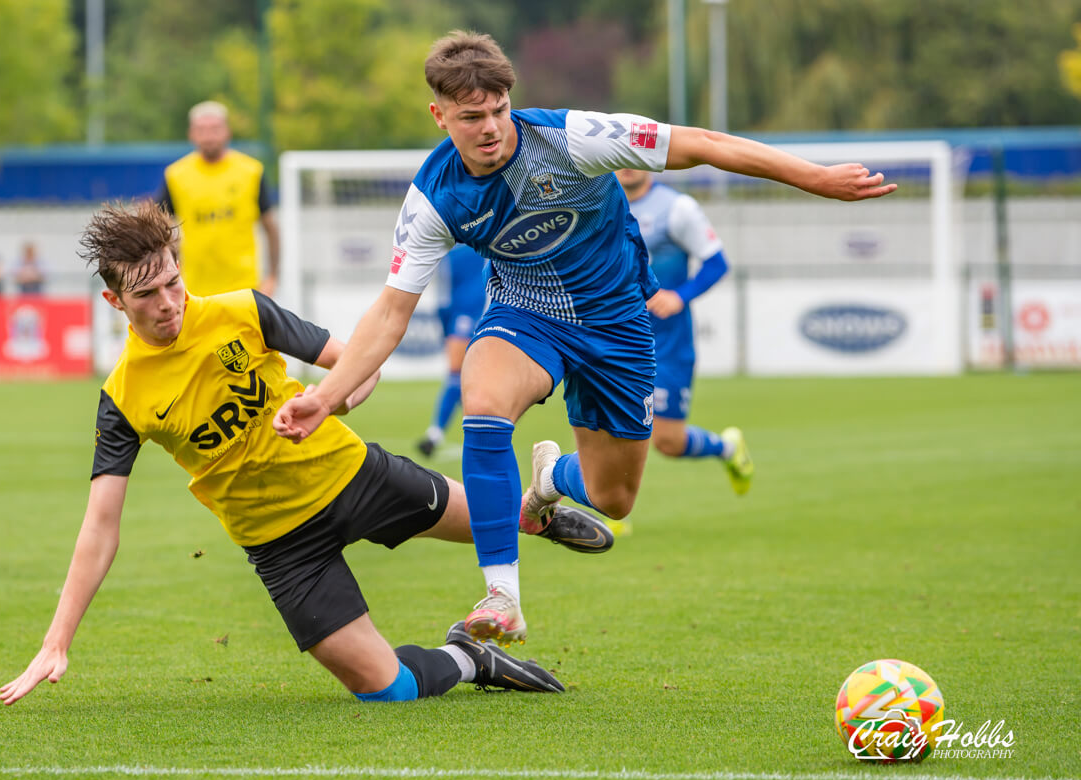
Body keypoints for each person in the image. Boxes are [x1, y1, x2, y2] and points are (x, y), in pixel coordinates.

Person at [273, 31, 896, 645]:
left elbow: (701, 143)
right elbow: (389, 312)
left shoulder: (571, 138)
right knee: (483, 402)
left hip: (618, 322)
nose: (490, 127)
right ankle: (502, 597)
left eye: (498, 110)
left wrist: (814, 178)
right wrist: (325, 398)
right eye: (471, 117)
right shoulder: (433, 198)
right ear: (440, 116)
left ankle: (549, 483)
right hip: (525, 313)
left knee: (614, 497)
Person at [0, 203, 614, 707]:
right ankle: (470, 656)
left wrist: (329, 399)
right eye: (146, 296)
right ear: (114, 304)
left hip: (354, 478)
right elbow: (100, 526)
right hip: (283, 547)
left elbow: (358, 366)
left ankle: (541, 505)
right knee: (388, 691)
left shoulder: (242, 310)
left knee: (505, 520)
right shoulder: (123, 397)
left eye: (173, 283)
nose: (168, 304)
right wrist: (57, 641)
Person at [615, 168, 754, 494]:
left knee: (667, 441)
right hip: (612, 336)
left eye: (633, 156)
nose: (627, 164)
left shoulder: (676, 208)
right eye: (619, 155)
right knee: (607, 428)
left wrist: (680, 296)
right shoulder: (597, 203)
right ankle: (611, 514)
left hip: (666, 341)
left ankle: (727, 449)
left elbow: (716, 263)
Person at [155, 100, 280, 298]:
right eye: (201, 130)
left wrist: (273, 277)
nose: (208, 136)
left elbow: (270, 227)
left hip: (245, 289)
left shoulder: (251, 171)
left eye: (214, 129)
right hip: (194, 290)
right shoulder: (176, 175)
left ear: (227, 132)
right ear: (191, 134)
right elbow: (160, 228)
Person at [417, 243, 488, 457]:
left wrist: (445, 327)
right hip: (492, 315)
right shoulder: (490, 246)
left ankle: (436, 432)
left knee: (458, 375)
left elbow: (444, 298)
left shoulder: (450, 254)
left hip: (463, 317)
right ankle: (477, 431)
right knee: (473, 379)